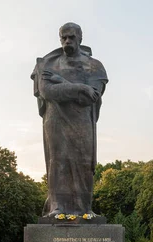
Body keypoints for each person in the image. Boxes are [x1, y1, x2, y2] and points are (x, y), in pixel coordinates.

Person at [31, 22, 108, 218]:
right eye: (63, 37)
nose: (67, 41)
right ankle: (58, 207)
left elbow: (91, 98)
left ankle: (84, 209)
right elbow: (48, 92)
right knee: (58, 162)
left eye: (71, 37)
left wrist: (63, 84)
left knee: (84, 163)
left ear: (80, 39)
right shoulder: (47, 65)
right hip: (55, 121)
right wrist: (81, 88)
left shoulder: (95, 66)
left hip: (82, 122)